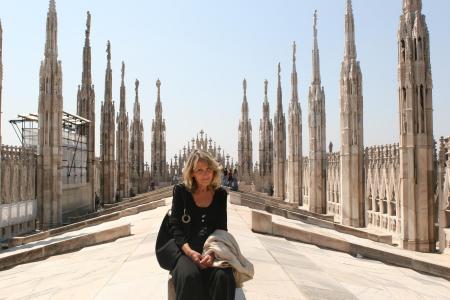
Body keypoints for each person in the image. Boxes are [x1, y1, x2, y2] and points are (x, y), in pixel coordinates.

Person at [169, 149, 236, 300]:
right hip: (185, 250)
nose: (205, 174)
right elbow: (175, 227)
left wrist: (212, 254)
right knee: (189, 277)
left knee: (224, 278)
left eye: (208, 169)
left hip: (211, 250)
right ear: (191, 173)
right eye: (199, 170)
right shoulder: (181, 192)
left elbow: (221, 229)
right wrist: (190, 252)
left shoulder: (220, 194)